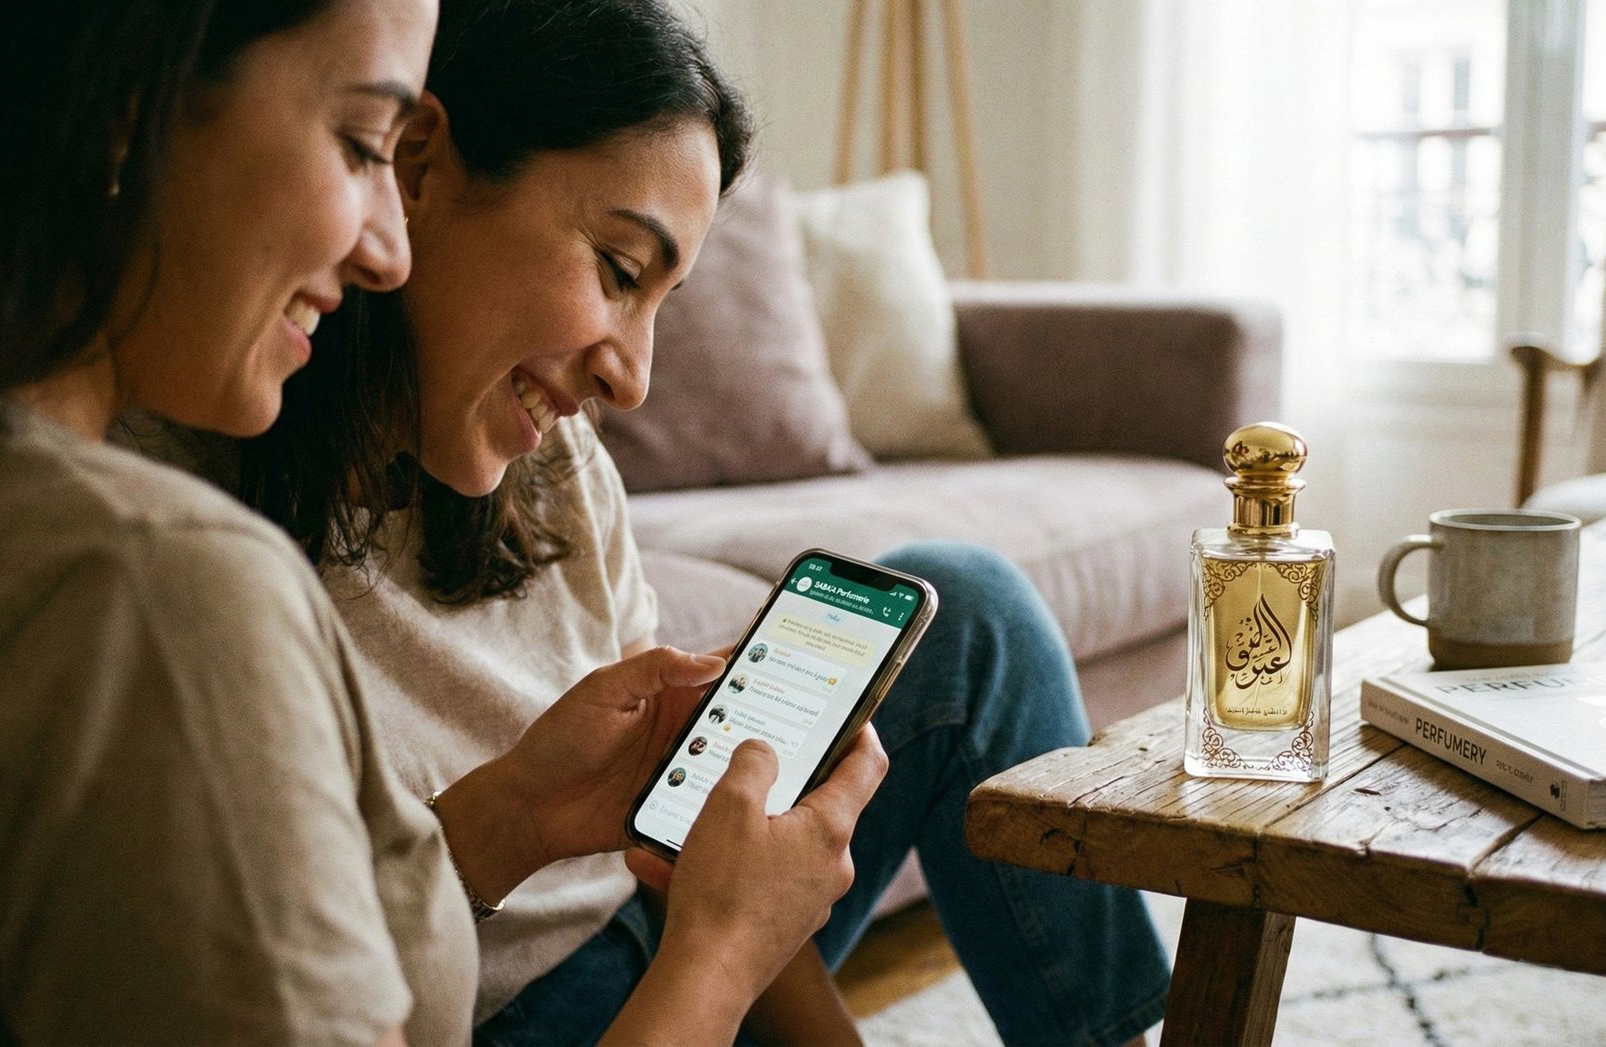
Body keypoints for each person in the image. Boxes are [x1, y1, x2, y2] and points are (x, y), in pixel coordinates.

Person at [0, 3, 882, 1043]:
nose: (389, 248)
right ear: (128, 116)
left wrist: (518, 814)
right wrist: (719, 954)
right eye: (361, 145)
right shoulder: (151, 582)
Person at [234, 1, 1171, 1044]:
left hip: (653, 943)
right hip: (489, 1013)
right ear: (417, 169)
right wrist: (708, 958)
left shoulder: (552, 465)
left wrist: (653, 891)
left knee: (971, 612)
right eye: (621, 270)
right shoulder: (199, 561)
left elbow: (679, 871)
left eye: (661, 302)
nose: (632, 380)